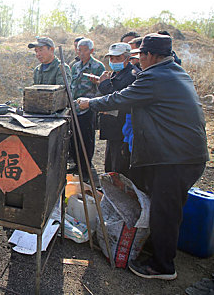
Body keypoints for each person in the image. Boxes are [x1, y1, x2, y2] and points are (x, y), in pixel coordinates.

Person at [77, 33, 209, 281]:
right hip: (185, 154)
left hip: (176, 157)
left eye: (140, 57)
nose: (138, 62)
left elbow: (121, 98)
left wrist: (88, 103)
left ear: (150, 56)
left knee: (164, 210)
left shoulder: (155, 77)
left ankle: (163, 266)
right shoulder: (175, 72)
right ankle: (159, 249)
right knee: (166, 207)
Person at [97, 42, 139, 177]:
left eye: (118, 58)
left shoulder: (132, 76)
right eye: (111, 58)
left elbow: (117, 99)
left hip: (123, 130)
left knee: (119, 167)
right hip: (113, 129)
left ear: (128, 58)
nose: (113, 61)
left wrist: (103, 84)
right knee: (110, 164)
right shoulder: (116, 73)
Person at [69, 38, 105, 180]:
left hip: (88, 108)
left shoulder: (97, 66)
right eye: (79, 49)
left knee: (87, 138)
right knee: (74, 138)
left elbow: (101, 88)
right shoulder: (75, 66)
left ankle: (86, 168)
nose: (81, 53)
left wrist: (93, 103)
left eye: (84, 50)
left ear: (91, 51)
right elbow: (72, 85)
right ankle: (77, 164)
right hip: (74, 106)